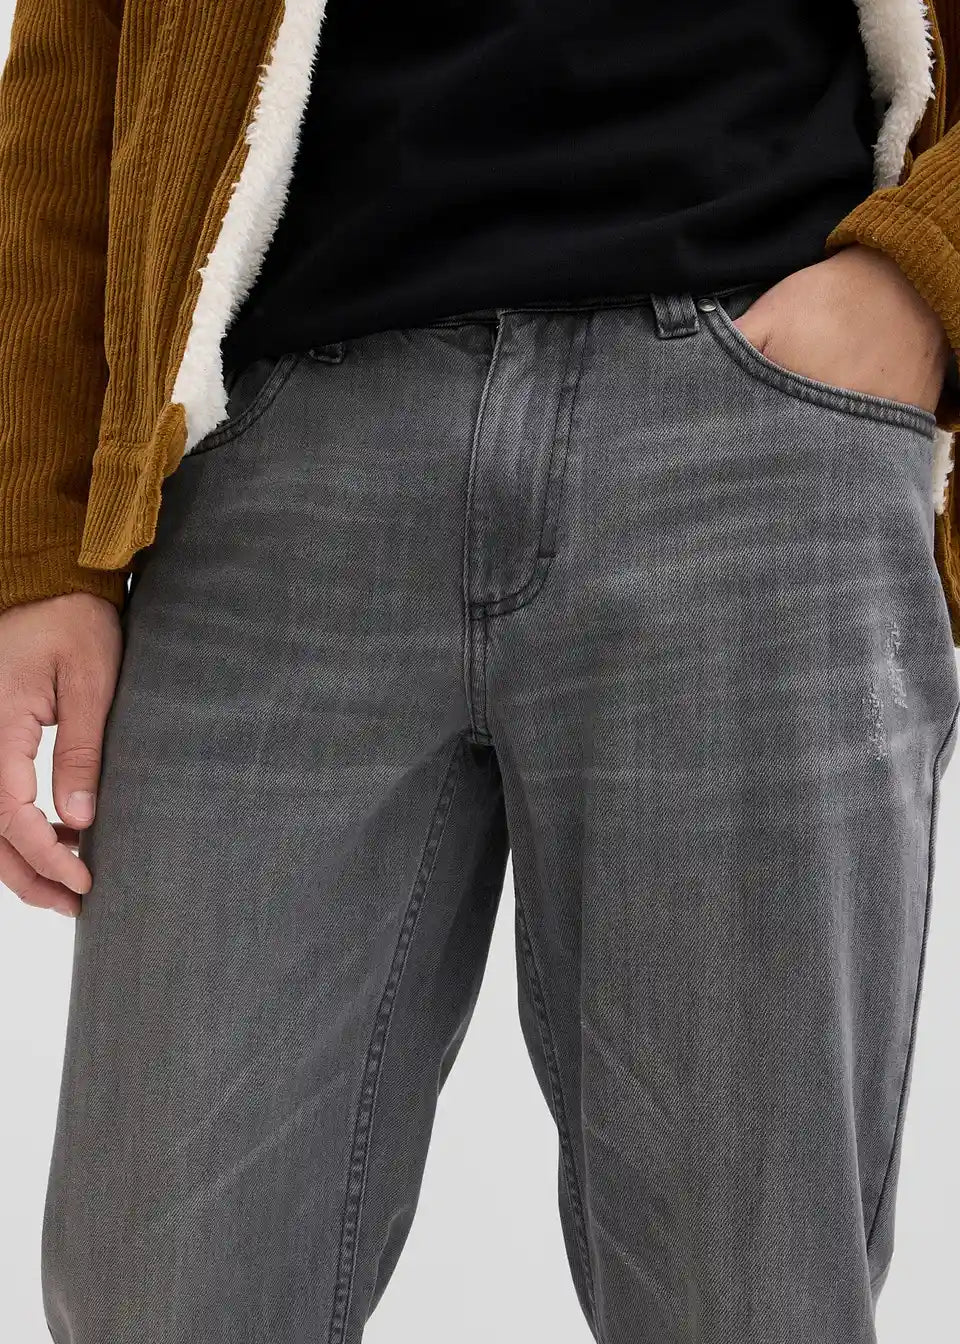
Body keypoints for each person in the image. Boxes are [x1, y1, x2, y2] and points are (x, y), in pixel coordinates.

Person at [0, 1, 958, 1340]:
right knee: (155, 1291)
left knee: (749, 1294)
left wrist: (923, 272)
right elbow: (74, 58)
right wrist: (38, 541)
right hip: (273, 459)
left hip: (749, 436)